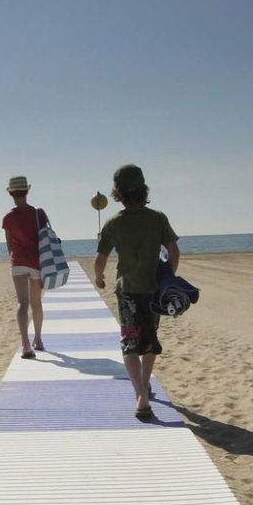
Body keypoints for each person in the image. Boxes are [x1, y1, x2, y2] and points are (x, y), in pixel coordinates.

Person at [93, 164, 179, 420]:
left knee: (130, 342)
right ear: (143, 189)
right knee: (150, 339)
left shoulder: (113, 223)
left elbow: (101, 257)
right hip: (154, 291)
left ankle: (141, 394)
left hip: (127, 291)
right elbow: (173, 250)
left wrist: (98, 276)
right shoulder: (158, 218)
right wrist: (168, 277)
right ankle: (144, 384)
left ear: (117, 193)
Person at [2, 174, 47, 359]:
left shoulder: (8, 217)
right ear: (27, 191)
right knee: (36, 303)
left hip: (18, 262)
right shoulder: (39, 214)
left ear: (11, 193)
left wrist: (14, 259)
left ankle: (25, 344)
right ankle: (37, 339)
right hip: (36, 262)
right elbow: (45, 238)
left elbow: (9, 245)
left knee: (22, 303)